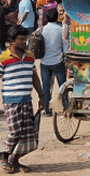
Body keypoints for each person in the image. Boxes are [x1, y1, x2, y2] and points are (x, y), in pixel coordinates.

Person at [0, 26, 44, 173]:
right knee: (15, 131)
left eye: (25, 39)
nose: (24, 42)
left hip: (26, 99)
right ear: (11, 41)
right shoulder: (3, 58)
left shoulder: (30, 56)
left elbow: (34, 77)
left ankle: (15, 161)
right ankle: (4, 155)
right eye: (20, 39)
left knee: (27, 134)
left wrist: (41, 96)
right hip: (11, 100)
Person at [40, 9, 68, 117]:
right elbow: (65, 47)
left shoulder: (41, 30)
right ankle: (65, 106)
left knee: (46, 86)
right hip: (58, 61)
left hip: (44, 62)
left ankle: (47, 109)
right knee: (62, 85)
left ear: (46, 18)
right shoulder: (60, 30)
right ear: (57, 17)